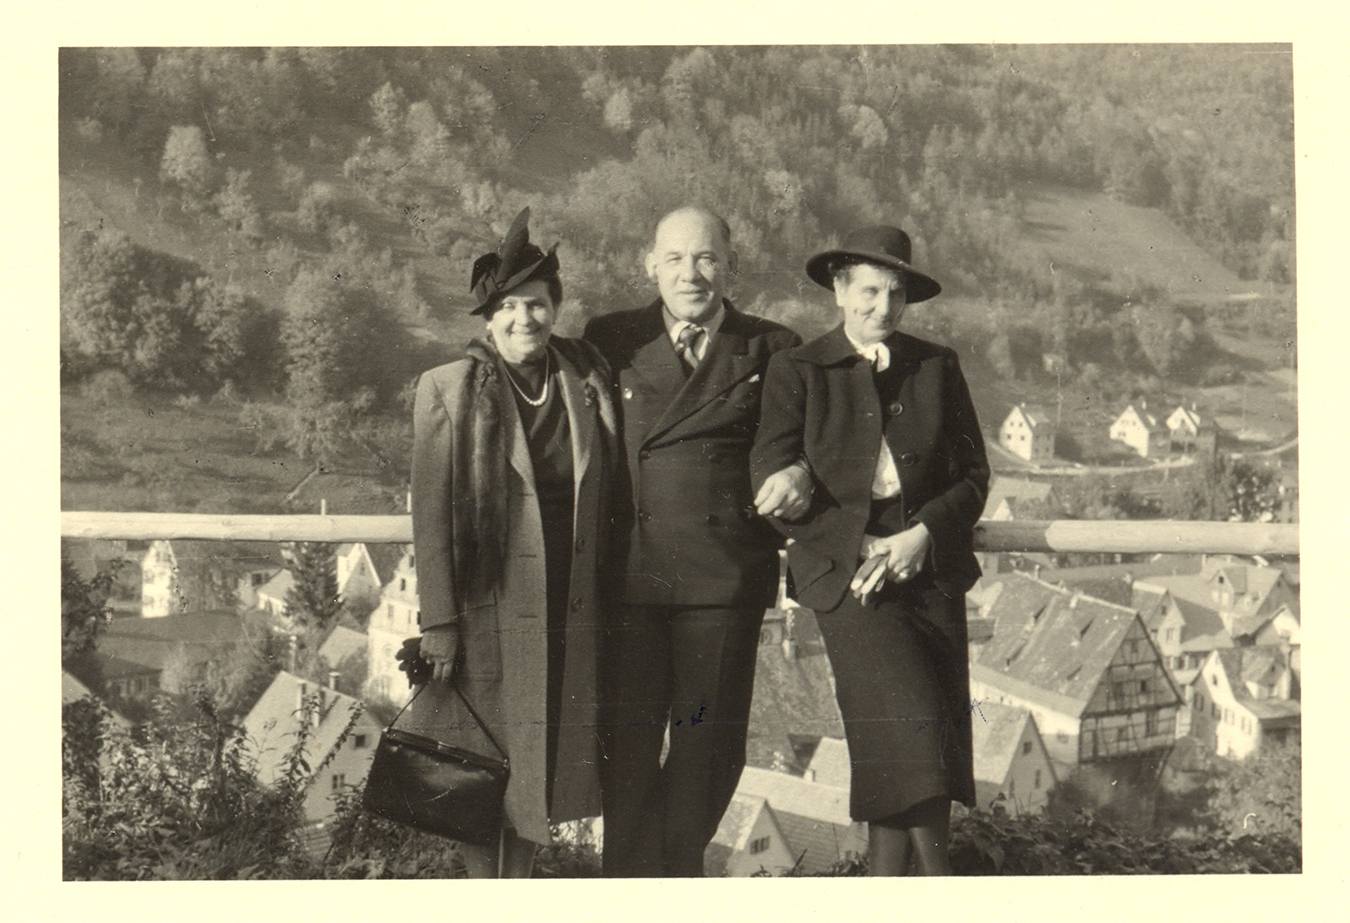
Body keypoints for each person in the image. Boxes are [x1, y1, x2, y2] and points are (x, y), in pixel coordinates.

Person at [750, 224, 990, 875]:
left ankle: (886, 886)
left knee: (911, 742)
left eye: (896, 294)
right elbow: (771, 475)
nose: (882, 308)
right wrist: (857, 542)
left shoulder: (937, 366)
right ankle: (942, 886)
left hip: (929, 572)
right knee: (915, 732)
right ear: (839, 289)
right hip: (848, 578)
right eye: (869, 291)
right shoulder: (797, 370)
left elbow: (973, 478)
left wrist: (922, 534)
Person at [582, 206, 811, 876]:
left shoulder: (771, 346)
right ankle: (630, 881)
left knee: (709, 749)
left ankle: (673, 874)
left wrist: (796, 474)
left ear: (731, 265)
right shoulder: (611, 338)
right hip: (632, 578)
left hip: (722, 580)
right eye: (676, 258)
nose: (692, 273)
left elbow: (787, 447)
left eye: (707, 257)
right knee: (625, 750)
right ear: (648, 263)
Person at [404, 208, 619, 877]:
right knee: (480, 759)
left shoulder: (585, 385)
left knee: (538, 759)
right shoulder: (449, 389)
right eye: (510, 307)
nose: (525, 319)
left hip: (565, 607)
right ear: (488, 317)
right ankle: (482, 893)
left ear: (557, 309)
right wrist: (438, 620)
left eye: (539, 304)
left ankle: (517, 887)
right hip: (485, 607)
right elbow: (430, 514)